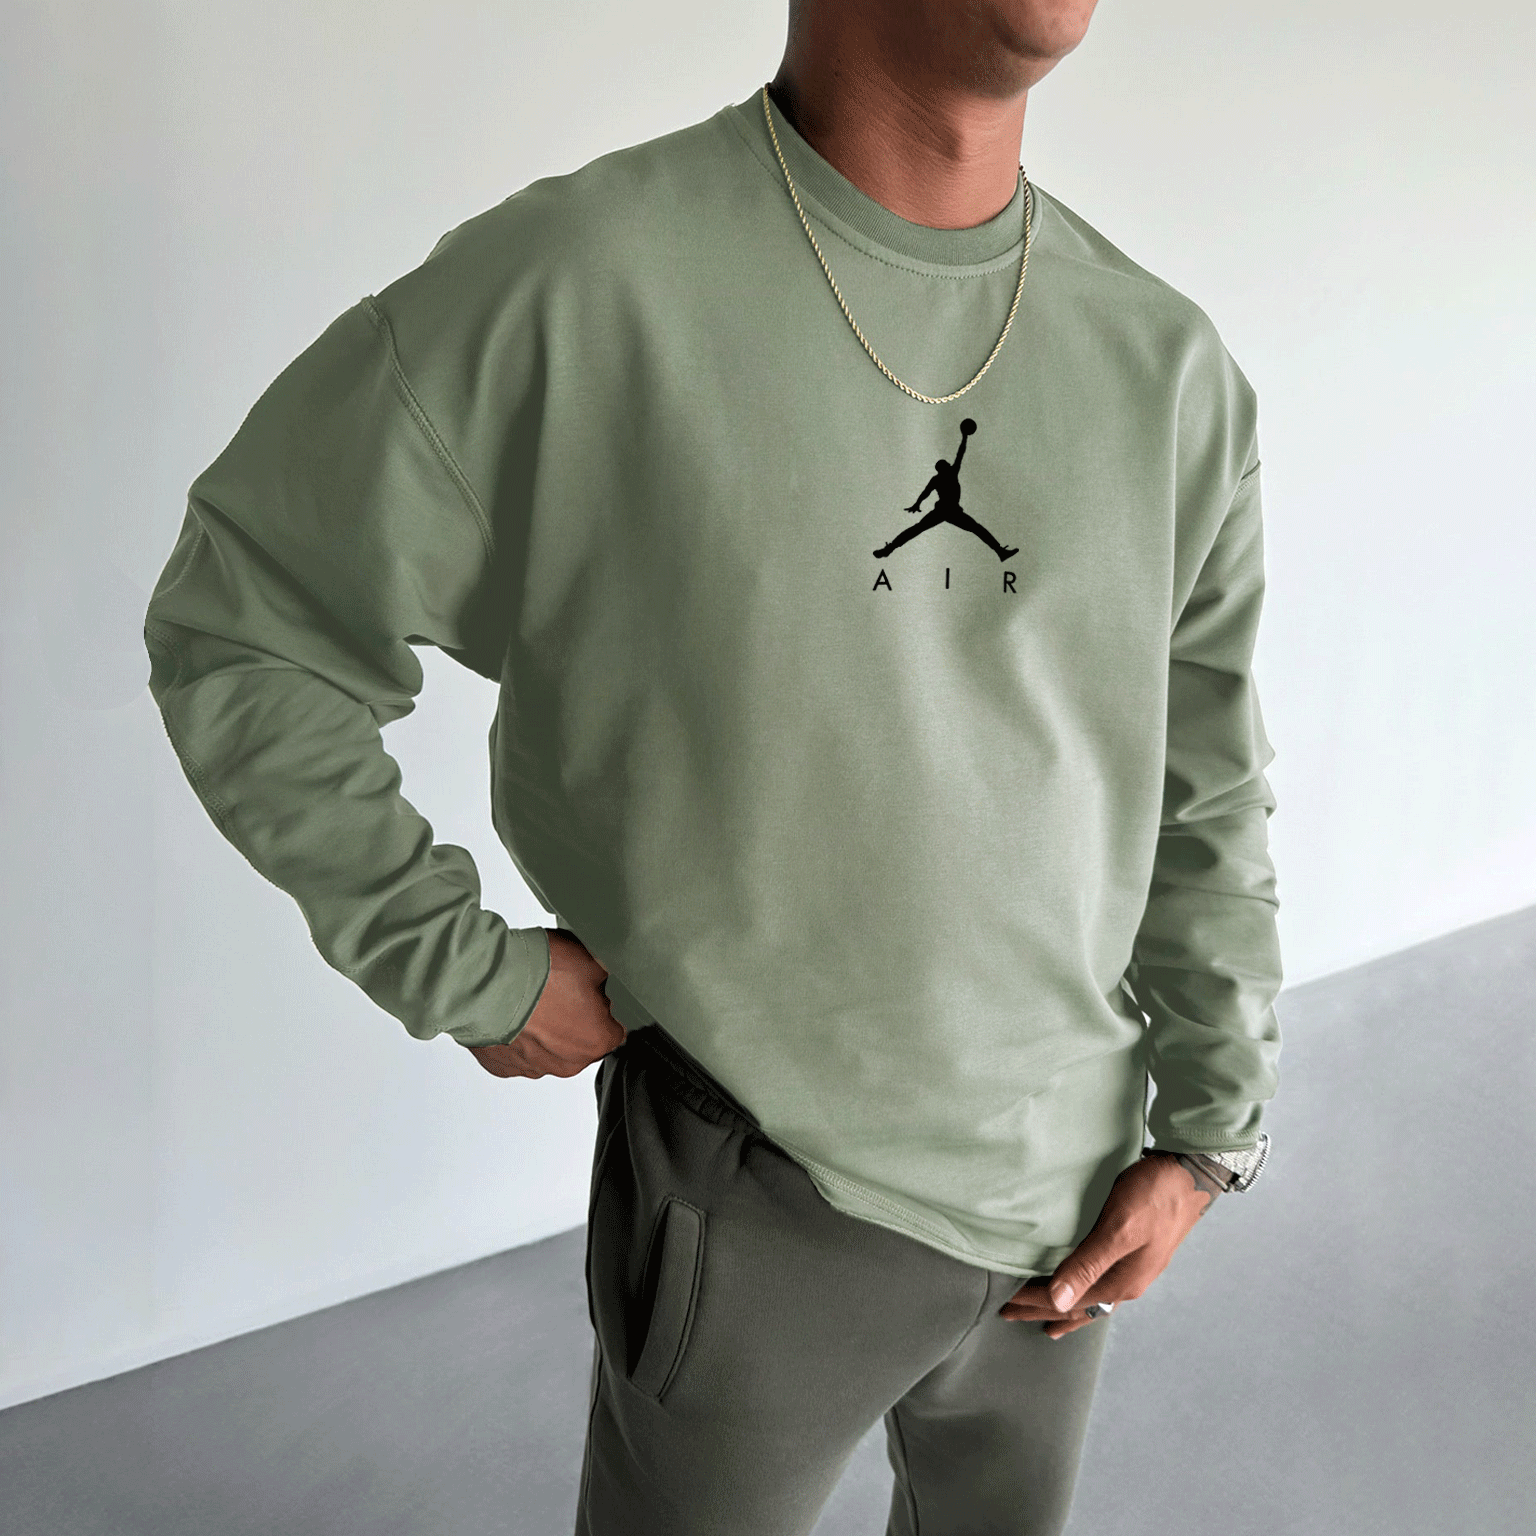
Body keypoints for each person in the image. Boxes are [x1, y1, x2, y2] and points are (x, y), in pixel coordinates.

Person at [142, 1, 1283, 1531]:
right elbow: (248, 624)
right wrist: (457, 963)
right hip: (757, 1196)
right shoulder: (580, 285)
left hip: (1071, 1196)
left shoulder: (1167, 363)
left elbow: (1204, 780)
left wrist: (1208, 1130)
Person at [875, 418, 1020, 562]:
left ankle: (889, 549)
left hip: (948, 510)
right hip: (948, 510)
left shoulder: (940, 477)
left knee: (918, 529)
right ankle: (1000, 551)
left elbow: (926, 492)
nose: (949, 463)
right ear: (943, 467)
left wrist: (917, 504)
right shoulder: (950, 473)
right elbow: (960, 454)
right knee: (976, 528)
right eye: (946, 463)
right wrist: (964, 437)